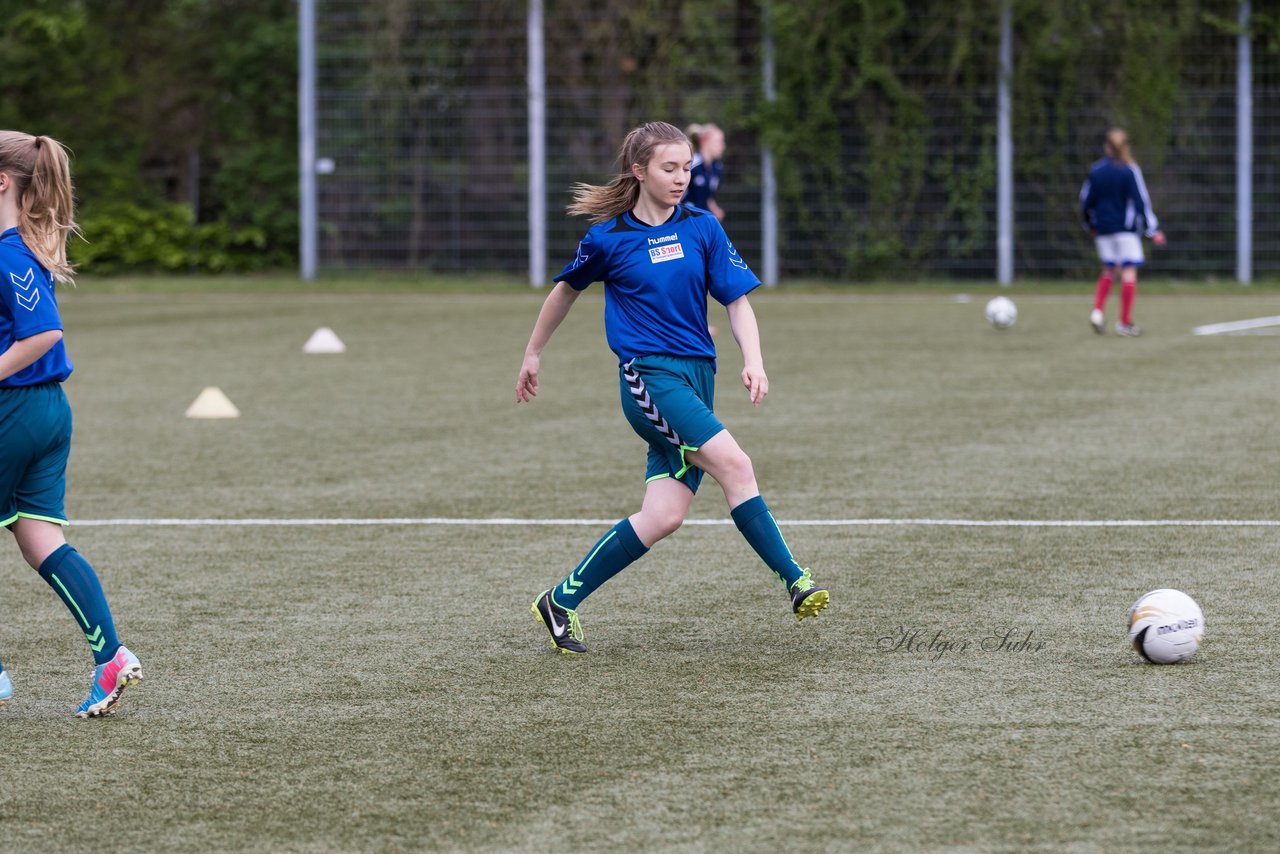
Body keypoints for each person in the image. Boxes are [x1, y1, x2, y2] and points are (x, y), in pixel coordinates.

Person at [516, 121, 828, 655]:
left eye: (687, 167)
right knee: (736, 465)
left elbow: (736, 300)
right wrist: (533, 351)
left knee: (664, 516)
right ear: (639, 171)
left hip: (696, 379)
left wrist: (753, 359)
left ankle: (560, 600)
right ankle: (796, 580)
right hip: (650, 379)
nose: (682, 177)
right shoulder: (608, 238)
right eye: (670, 168)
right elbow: (564, 292)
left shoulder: (702, 227)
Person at [0, 131, 142, 717]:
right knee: (39, 537)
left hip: (14, 406)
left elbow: (43, 333)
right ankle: (110, 655)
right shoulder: (22, 247)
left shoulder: (10, 251)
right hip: (46, 410)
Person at [1079, 128, 1165, 336]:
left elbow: (1085, 201)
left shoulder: (1096, 171)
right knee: (1128, 271)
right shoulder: (1129, 170)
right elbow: (1141, 200)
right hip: (1125, 230)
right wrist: (1153, 230)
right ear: (1125, 147)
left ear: (1106, 147)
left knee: (1109, 269)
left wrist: (1090, 225)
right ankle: (1124, 322)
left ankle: (1098, 311)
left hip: (1102, 229)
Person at [683, 123, 725, 222]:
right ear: (704, 141)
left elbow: (707, 197)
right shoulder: (691, 165)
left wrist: (715, 210)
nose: (723, 146)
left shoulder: (717, 168)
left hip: (702, 222)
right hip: (685, 221)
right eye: (719, 142)